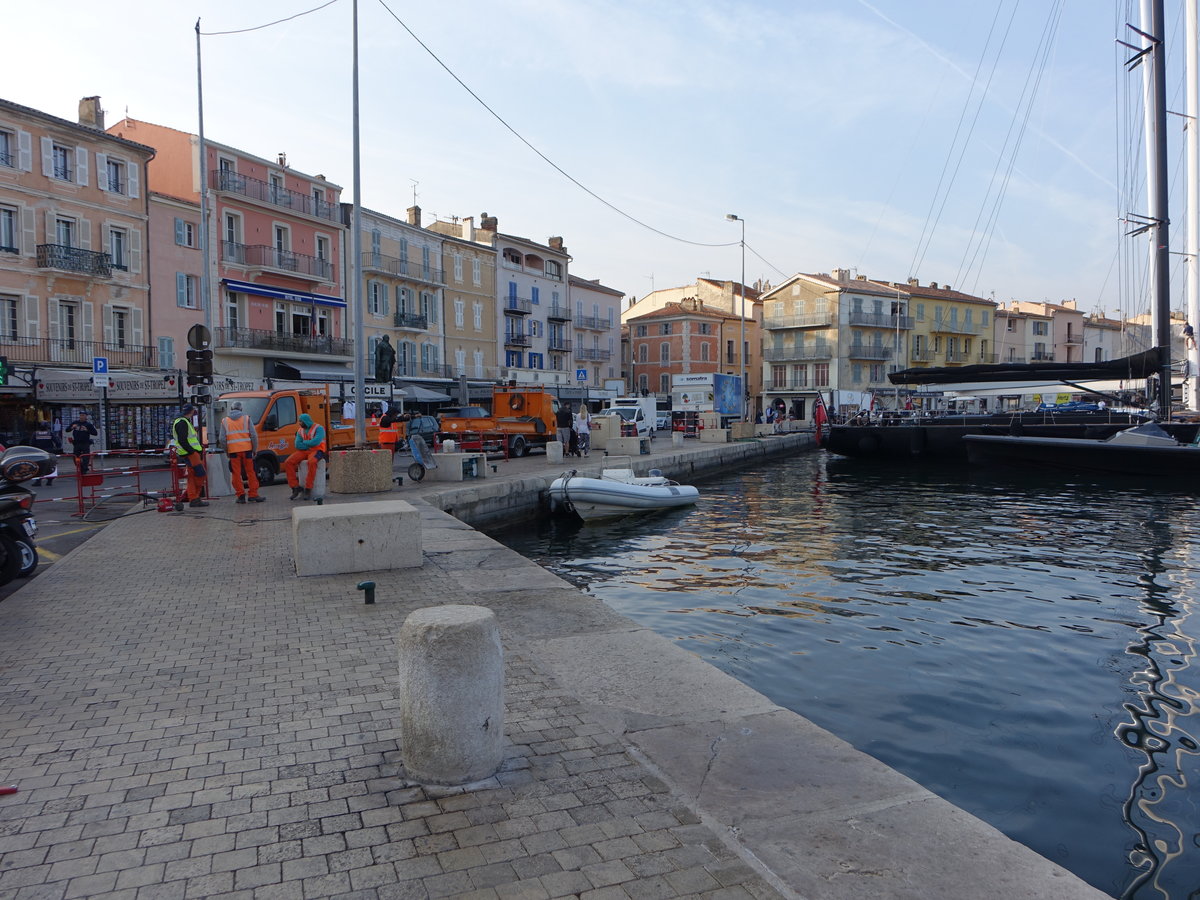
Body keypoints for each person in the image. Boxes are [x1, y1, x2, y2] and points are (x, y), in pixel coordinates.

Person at [220, 400, 263, 504]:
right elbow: (253, 435)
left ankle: (241, 495)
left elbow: (222, 439)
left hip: (233, 451)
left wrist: (227, 451)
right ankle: (253, 495)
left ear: (231, 409)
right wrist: (254, 449)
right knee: (251, 472)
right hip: (247, 450)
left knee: (236, 474)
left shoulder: (225, 421)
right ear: (241, 409)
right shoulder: (246, 418)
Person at [171, 404, 208, 508]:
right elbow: (183, 440)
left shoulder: (181, 421)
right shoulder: (183, 422)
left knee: (194, 475)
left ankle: (193, 497)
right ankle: (194, 498)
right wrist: (192, 451)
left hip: (189, 453)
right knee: (199, 475)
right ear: (191, 412)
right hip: (190, 453)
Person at [285, 413, 327, 501]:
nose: (299, 423)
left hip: (317, 450)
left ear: (306, 421)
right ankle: (295, 487)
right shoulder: (300, 430)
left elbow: (316, 442)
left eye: (300, 421)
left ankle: (308, 488)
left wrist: (304, 442)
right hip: (305, 450)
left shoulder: (319, 428)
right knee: (288, 462)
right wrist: (308, 444)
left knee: (311, 462)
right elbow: (297, 444)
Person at [67, 411, 98, 476]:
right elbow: (67, 430)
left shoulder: (88, 424)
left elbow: (95, 433)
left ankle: (84, 469)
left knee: (86, 457)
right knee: (76, 457)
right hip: (76, 443)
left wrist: (87, 430)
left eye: (83, 415)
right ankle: (80, 468)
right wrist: (72, 427)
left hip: (85, 443)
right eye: (81, 415)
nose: (82, 416)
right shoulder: (75, 423)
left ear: (86, 416)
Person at [29, 421, 57, 487]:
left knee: (39, 467)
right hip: (49, 452)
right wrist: (56, 449)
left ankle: (38, 481)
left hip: (39, 452)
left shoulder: (35, 433)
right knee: (50, 466)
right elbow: (57, 441)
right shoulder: (50, 433)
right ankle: (49, 481)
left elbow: (32, 443)